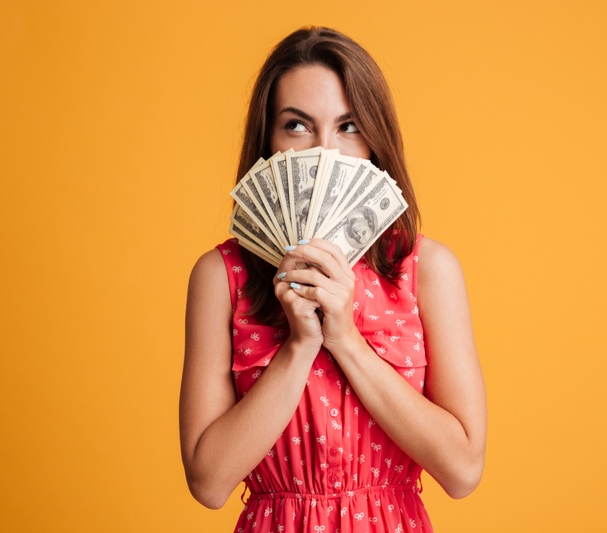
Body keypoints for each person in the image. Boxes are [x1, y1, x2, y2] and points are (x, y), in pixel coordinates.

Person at [180, 27, 486, 532]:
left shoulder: (427, 270)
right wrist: (300, 346)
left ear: (374, 140)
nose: (325, 151)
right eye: (297, 125)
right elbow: (209, 482)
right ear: (268, 143)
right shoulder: (221, 277)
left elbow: (463, 469)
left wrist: (346, 339)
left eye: (348, 126)